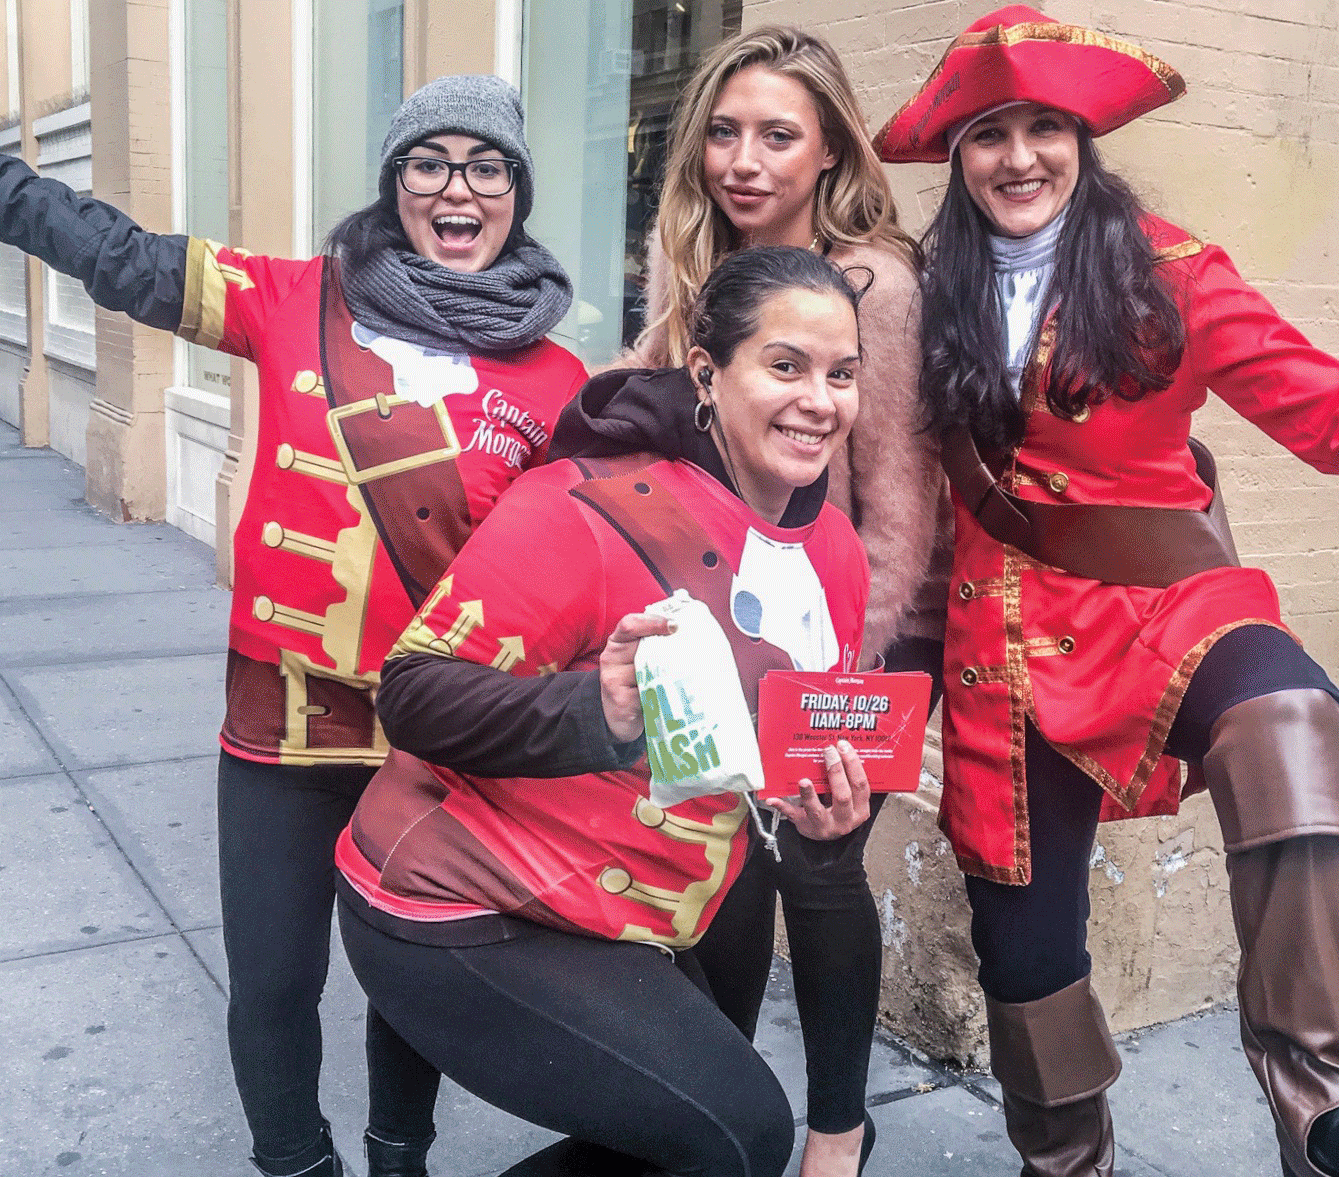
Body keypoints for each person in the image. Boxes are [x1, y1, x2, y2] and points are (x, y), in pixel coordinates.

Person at [874, 7, 1339, 1177]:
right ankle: (1067, 1161)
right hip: (999, 649)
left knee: (1290, 719)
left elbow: (1338, 417)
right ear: (957, 154)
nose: (1018, 157)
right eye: (989, 133)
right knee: (1026, 956)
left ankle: (1326, 1108)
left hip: (1166, 611)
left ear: (1082, 139)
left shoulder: (1173, 273)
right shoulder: (916, 291)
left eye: (1044, 127)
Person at [0, 75, 586, 1177]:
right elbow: (119, 257)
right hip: (281, 727)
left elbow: (581, 564)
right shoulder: (294, 297)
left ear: (516, 190)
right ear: (395, 181)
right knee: (273, 980)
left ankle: (398, 1159)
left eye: (486, 166)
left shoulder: (557, 377)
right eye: (429, 162)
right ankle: (295, 1162)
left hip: (436, 735)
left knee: (412, 978)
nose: (456, 188)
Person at [333, 245, 873, 1177]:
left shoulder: (836, 553)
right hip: (457, 896)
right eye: (785, 365)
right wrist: (600, 706)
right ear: (706, 372)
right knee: (738, 1134)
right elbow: (413, 691)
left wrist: (839, 1132)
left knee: (705, 1124)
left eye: (842, 373)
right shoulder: (582, 506)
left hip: (644, 895)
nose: (818, 400)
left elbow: (813, 859)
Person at [621, 28, 949, 1176]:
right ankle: (720, 1110)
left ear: (829, 153)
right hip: (712, 621)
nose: (743, 160)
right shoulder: (690, 266)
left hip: (854, 632)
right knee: (711, 861)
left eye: (776, 135)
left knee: (816, 863)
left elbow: (901, 511)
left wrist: (828, 681)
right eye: (722, 132)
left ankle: (838, 1128)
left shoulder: (873, 286)